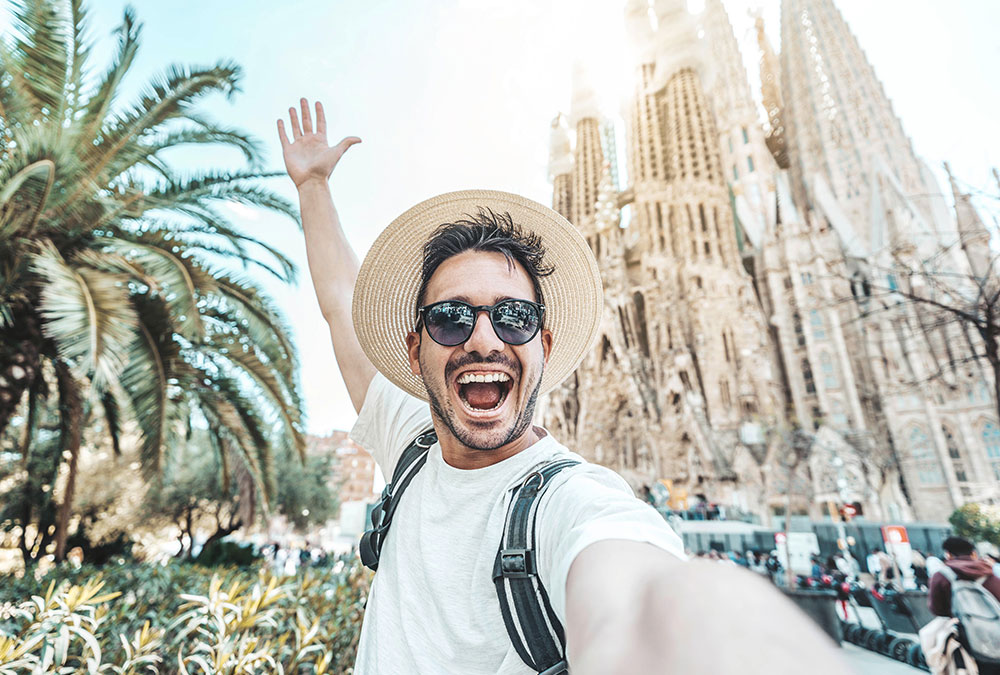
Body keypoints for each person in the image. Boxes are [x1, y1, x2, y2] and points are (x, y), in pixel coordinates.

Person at [277, 98, 849, 674]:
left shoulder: (569, 503)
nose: (483, 341)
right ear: (414, 346)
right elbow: (341, 308)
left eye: (514, 318)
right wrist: (314, 188)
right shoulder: (410, 445)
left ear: (543, 347)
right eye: (451, 317)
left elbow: (637, 593)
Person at [928, 536, 1000, 674]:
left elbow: (936, 609)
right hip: (996, 636)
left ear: (947, 554)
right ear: (973, 553)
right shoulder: (988, 572)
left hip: (963, 639)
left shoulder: (942, 575)